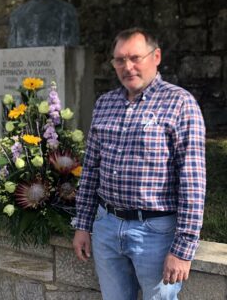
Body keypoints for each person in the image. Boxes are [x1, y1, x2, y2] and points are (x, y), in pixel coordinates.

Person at [72, 27, 206, 299]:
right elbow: (91, 170)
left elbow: (192, 182)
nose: (127, 66)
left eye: (135, 57)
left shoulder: (180, 103)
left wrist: (183, 249)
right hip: (106, 227)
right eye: (119, 60)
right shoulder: (105, 104)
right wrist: (83, 224)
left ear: (156, 56)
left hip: (155, 233)